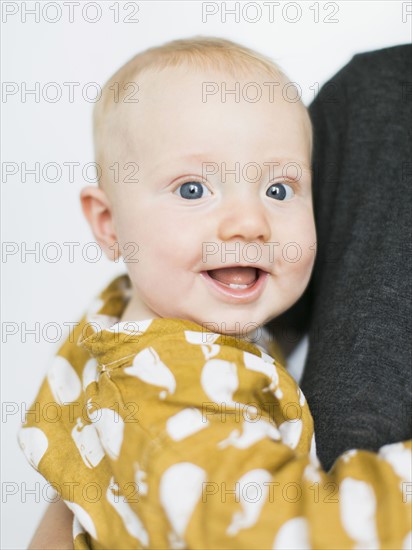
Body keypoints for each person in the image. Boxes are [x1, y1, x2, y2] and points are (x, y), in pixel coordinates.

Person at [19, 37, 411, 549]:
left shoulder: (123, 313)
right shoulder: (170, 397)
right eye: (192, 190)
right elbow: (291, 534)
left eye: (278, 190)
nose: (249, 223)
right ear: (109, 223)